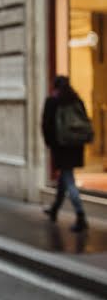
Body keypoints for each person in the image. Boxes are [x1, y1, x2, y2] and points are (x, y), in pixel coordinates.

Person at [41, 75, 92, 232]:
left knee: (68, 179)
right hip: (76, 146)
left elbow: (46, 125)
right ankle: (55, 209)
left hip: (61, 146)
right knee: (64, 176)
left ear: (55, 86)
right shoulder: (77, 100)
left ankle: (80, 215)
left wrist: (50, 144)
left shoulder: (52, 101)